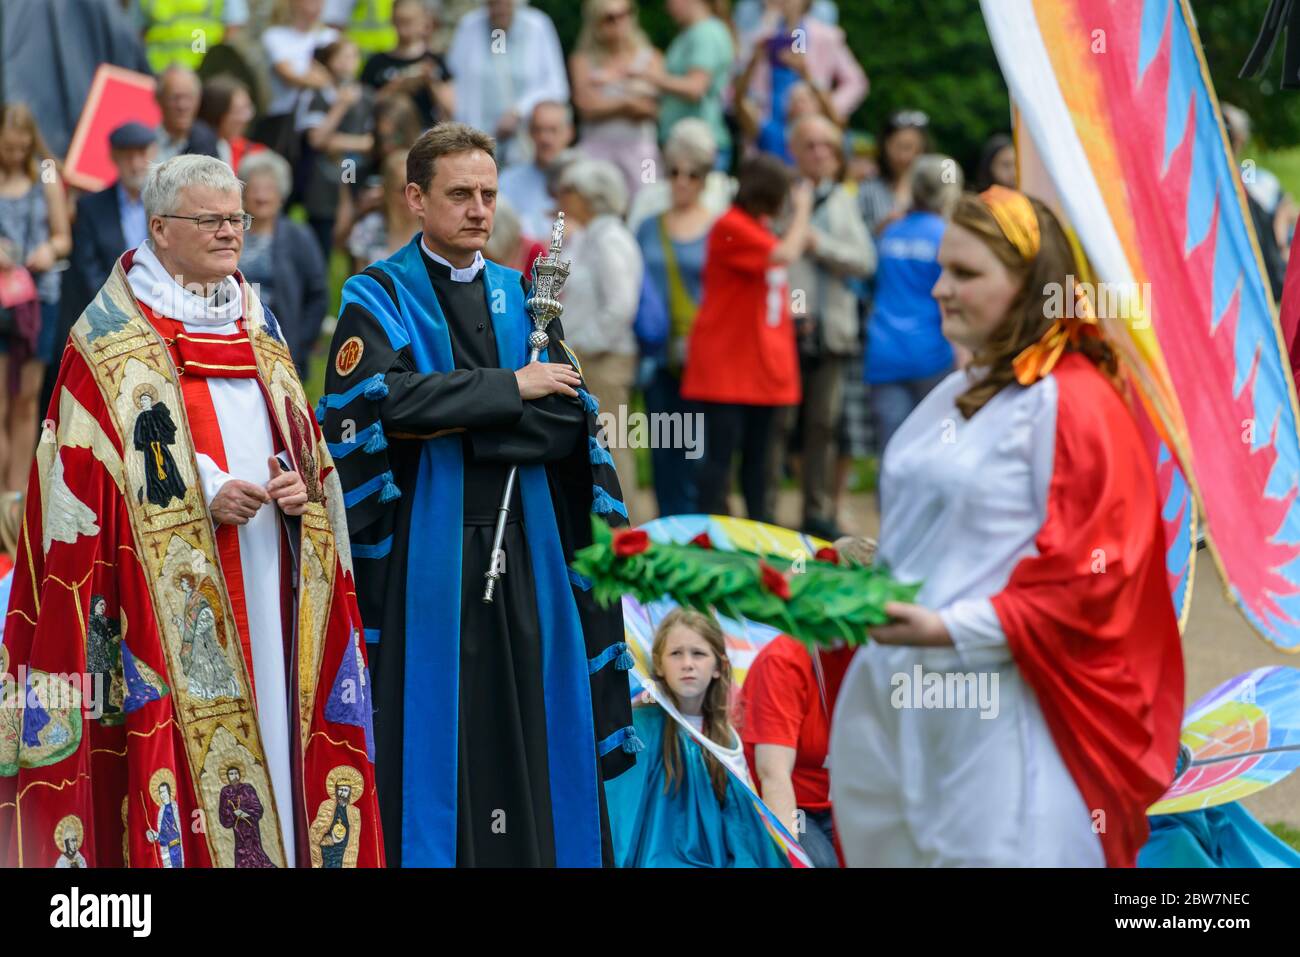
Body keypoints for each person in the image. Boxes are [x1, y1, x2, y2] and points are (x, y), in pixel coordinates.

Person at [0, 154, 383, 867]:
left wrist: (300, 488)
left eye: (236, 218)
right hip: (162, 599)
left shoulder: (254, 316)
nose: (230, 232)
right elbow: (87, 479)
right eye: (210, 220)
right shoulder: (109, 339)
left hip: (273, 575)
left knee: (277, 723)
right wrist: (202, 494)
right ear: (159, 229)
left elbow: (299, 437)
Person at [828, 187, 1185, 867]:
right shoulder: (959, 388)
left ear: (1030, 285)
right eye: (942, 268)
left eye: (965, 273)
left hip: (1006, 718)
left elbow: (1095, 574)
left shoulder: (1076, 402)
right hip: (904, 705)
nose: (938, 289)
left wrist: (949, 627)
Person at [321, 123, 636, 867]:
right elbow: (377, 404)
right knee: (441, 725)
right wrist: (508, 391)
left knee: (527, 707)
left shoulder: (522, 295)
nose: (479, 210)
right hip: (427, 555)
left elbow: (569, 419)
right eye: (460, 193)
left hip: (525, 546)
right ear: (416, 198)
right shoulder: (376, 293)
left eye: (489, 194)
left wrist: (466, 418)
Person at [605, 608, 789, 867]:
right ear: (659, 663)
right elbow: (621, 818)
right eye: (676, 654)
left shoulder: (726, 740)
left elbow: (742, 830)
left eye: (698, 654)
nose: (687, 664)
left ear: (719, 666)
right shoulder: (639, 730)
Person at [682, 154, 810, 523]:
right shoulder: (731, 225)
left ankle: (758, 534)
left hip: (758, 366)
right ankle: (707, 533)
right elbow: (785, 253)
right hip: (729, 366)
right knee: (720, 460)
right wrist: (803, 209)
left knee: (759, 461)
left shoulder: (756, 225)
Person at [771, 114, 874, 539]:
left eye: (825, 146)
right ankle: (769, 512)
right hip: (782, 333)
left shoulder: (847, 202)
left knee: (823, 425)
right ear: (793, 150)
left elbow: (865, 262)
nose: (818, 153)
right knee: (778, 426)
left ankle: (818, 513)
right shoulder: (779, 197)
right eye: (809, 145)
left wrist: (820, 244)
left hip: (831, 334)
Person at [634, 118, 718, 517]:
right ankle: (669, 524)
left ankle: (698, 528)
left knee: (699, 448)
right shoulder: (647, 228)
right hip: (658, 352)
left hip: (704, 355)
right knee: (664, 443)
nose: (682, 180)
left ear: (705, 179)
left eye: (693, 174)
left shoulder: (719, 229)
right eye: (674, 172)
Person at [553, 158, 644, 516]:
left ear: (589, 196)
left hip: (605, 361)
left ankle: (627, 531)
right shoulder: (589, 236)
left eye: (570, 190)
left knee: (613, 447)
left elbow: (620, 307)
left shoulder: (610, 239)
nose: (564, 197)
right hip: (589, 359)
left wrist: (581, 344)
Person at [52, 121, 157, 411]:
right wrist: (121, 310)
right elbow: (87, 270)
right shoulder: (91, 206)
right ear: (114, 157)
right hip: (108, 319)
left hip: (161, 315)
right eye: (127, 155)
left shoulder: (167, 206)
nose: (135, 163)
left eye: (141, 154)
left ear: (153, 153)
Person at [865, 154, 961, 454]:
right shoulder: (946, 236)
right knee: (934, 447)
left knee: (892, 449)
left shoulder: (888, 233)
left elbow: (867, 282)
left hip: (884, 352)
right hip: (932, 354)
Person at [737, 630, 854, 869]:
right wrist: (788, 854)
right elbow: (773, 775)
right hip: (793, 806)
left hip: (839, 802)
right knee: (819, 863)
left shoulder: (872, 655)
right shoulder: (782, 660)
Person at [0, 104, 71, 493]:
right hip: (1, 297)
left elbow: (63, 237)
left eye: (21, 146)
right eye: (7, 147)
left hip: (37, 297)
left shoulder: (44, 171)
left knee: (27, 398)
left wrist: (49, 249)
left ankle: (15, 499)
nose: (14, 154)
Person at [735, 0, 867, 164]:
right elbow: (737, 87)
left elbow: (856, 82)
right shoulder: (763, 33)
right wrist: (755, 57)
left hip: (810, 120)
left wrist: (828, 108)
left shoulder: (824, 36)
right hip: (771, 123)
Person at [237, 151, 329, 377]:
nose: (261, 197)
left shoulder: (299, 236)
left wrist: (299, 343)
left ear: (281, 195)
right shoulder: (231, 231)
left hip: (281, 344)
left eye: (269, 189)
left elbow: (318, 295)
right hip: (234, 336)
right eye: (254, 189)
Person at [446, 0, 570, 167]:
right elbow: (453, 80)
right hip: (475, 142)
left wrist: (519, 110)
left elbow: (556, 86)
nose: (500, 8)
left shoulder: (537, 25)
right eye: (493, 3)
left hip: (525, 145)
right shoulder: (469, 26)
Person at [570, 0, 663, 202]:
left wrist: (606, 92)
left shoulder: (651, 57)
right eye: (610, 18)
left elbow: (652, 109)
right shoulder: (582, 60)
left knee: (647, 203)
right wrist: (628, 103)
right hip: (596, 149)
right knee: (591, 205)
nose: (620, 22)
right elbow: (586, 106)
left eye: (625, 13)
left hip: (641, 152)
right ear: (596, 24)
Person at [298, 38, 376, 259]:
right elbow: (317, 139)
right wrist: (340, 106)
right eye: (341, 57)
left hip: (359, 178)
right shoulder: (317, 96)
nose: (348, 63)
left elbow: (373, 141)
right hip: (323, 185)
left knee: (358, 247)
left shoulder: (368, 96)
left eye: (352, 56)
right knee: (321, 248)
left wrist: (337, 141)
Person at [645, 0, 735, 171]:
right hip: (685, 145)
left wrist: (652, 77)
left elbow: (696, 87)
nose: (667, 7)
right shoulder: (692, 32)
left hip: (698, 145)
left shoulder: (705, 32)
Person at [359, 0, 455, 129]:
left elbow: (450, 109)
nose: (403, 28)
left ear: (423, 22)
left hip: (424, 132)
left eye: (409, 21)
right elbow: (363, 107)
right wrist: (395, 87)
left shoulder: (434, 60)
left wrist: (431, 81)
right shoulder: (377, 62)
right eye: (399, 21)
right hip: (386, 134)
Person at [261, 0, 340, 158]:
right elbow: (289, 76)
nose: (316, 5)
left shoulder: (331, 37)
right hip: (283, 119)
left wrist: (309, 76)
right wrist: (319, 76)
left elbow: (339, 75)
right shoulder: (274, 36)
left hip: (321, 118)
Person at [497, 101, 576, 244]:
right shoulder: (509, 181)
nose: (545, 138)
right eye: (538, 130)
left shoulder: (585, 181)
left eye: (553, 130)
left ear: (570, 132)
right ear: (529, 133)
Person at [346, 149, 420, 272]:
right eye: (404, 190)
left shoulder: (434, 232)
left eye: (417, 190)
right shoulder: (368, 229)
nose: (412, 198)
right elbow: (358, 284)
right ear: (387, 191)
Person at [858, 109, 929, 234]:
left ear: (921, 149)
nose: (902, 156)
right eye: (897, 147)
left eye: (908, 147)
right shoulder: (867, 189)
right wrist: (881, 229)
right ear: (885, 146)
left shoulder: (932, 191)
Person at [198, 75, 265, 174]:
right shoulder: (201, 151)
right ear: (217, 113)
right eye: (239, 111)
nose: (246, 118)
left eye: (248, 108)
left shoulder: (225, 145)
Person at [154, 65, 221, 162]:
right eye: (174, 98)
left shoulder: (212, 142)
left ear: (199, 99)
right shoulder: (144, 143)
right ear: (159, 99)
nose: (182, 106)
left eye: (189, 97)